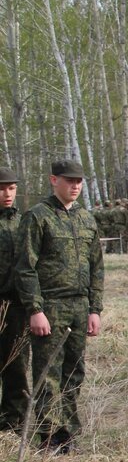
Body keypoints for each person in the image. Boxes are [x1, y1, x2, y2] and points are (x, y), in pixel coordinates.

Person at [15, 160, 103, 454]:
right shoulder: (38, 217)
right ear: (54, 180)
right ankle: (49, 436)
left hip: (79, 307)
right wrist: (34, 309)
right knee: (47, 373)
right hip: (50, 306)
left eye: (79, 181)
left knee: (73, 372)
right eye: (69, 181)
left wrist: (95, 309)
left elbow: (96, 268)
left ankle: (68, 433)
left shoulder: (86, 219)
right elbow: (25, 267)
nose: (75, 186)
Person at [0, 166, 29, 430]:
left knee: (16, 362)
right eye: (1, 188)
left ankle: (13, 419)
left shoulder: (23, 221)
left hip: (17, 305)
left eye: (11, 188)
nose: (7, 193)